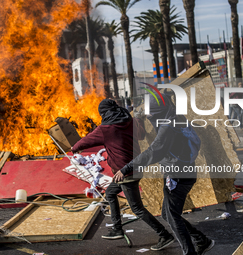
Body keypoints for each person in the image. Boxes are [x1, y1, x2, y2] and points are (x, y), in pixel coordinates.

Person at [115, 93, 214, 255]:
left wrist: (126, 168)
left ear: (157, 112)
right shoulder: (174, 115)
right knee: (167, 214)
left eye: (150, 113)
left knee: (172, 215)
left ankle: (190, 252)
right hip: (184, 172)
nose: (148, 116)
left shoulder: (168, 127)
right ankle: (201, 240)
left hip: (177, 177)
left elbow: (154, 151)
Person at [71, 99, 173, 250]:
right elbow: (142, 134)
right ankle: (117, 229)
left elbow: (83, 143)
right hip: (135, 168)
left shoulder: (105, 128)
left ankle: (164, 235)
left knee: (137, 209)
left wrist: (74, 148)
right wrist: (138, 119)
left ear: (103, 113)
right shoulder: (130, 121)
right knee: (111, 193)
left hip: (125, 173)